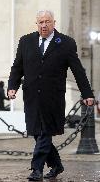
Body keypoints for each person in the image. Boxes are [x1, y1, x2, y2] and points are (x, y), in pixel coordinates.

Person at [7, 10, 94, 181]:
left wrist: (86, 93)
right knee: (37, 133)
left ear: (54, 22)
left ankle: (36, 169)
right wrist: (12, 86)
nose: (44, 25)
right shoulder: (26, 41)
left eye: (47, 21)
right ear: (37, 23)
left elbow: (78, 70)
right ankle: (56, 165)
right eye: (41, 22)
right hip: (31, 96)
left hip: (53, 97)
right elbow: (17, 67)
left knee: (45, 131)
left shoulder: (66, 43)